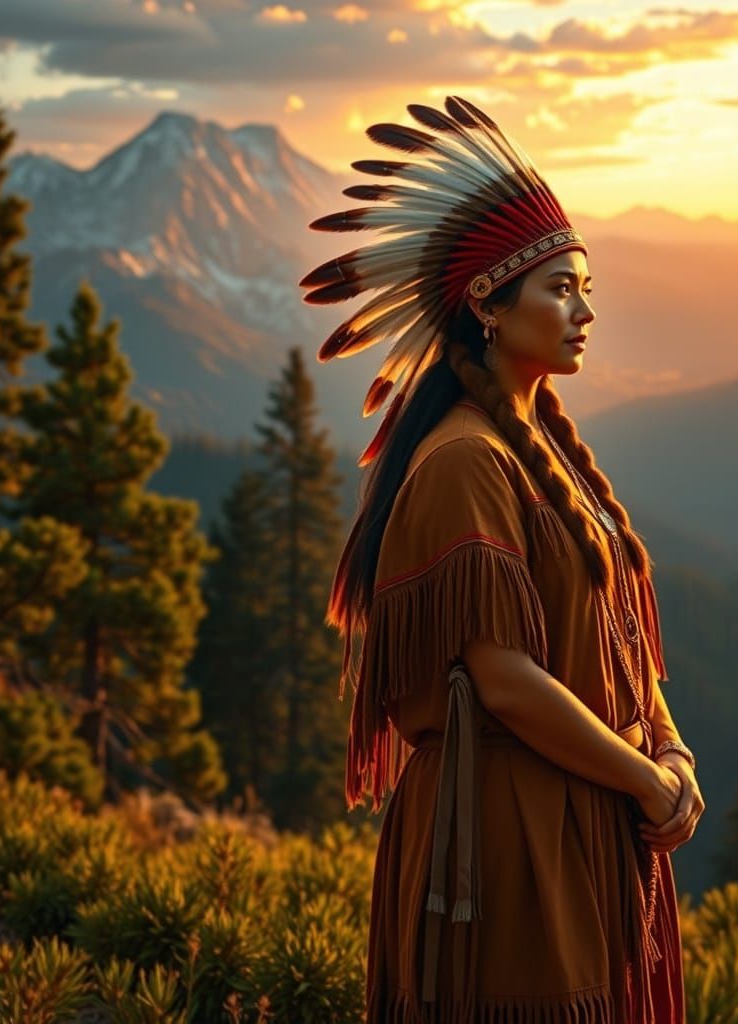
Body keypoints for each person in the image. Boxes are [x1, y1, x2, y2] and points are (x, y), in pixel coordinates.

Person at [300, 95, 705, 1024]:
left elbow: (613, 634)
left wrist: (669, 743)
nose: (585, 311)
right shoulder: (462, 461)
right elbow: (504, 678)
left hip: (574, 827)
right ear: (487, 301)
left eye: (585, 286)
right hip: (503, 848)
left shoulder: (540, 446)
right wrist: (646, 780)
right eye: (561, 288)